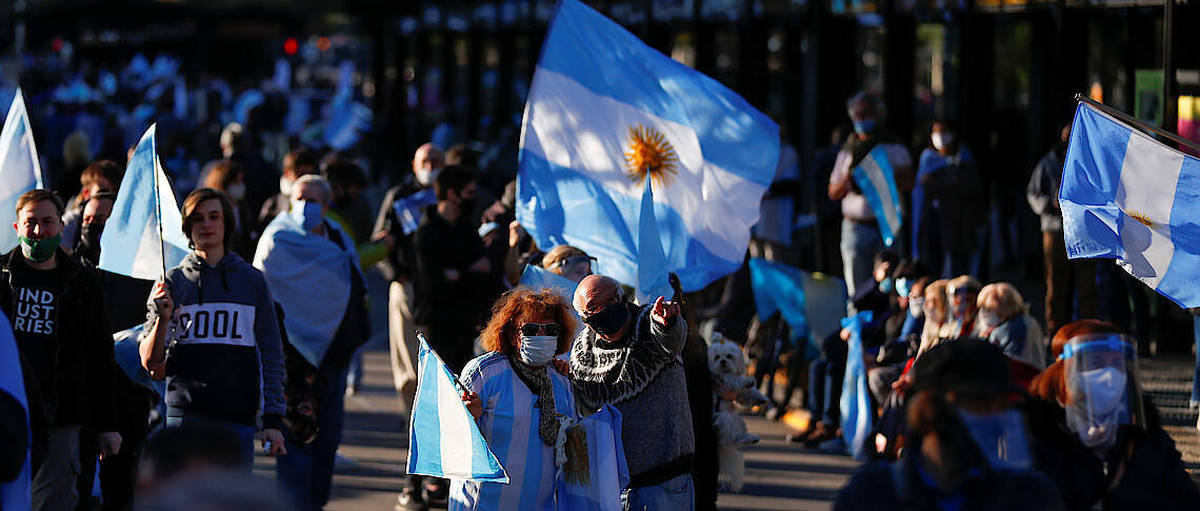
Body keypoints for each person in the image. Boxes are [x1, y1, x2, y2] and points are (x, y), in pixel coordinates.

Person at [139, 188, 287, 463]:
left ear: (226, 223)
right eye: (197, 218)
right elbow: (150, 361)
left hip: (237, 420)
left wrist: (273, 420)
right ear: (187, 227)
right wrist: (163, 318)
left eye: (213, 217)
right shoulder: (170, 283)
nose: (206, 224)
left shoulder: (252, 281)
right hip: (185, 416)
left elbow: (271, 353)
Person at [835, 340, 1066, 510]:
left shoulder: (1029, 496)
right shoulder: (872, 495)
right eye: (980, 403)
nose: (997, 417)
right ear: (927, 408)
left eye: (1003, 405)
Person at [1, 189, 121, 511]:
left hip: (61, 419)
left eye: (47, 222)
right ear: (16, 228)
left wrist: (106, 425)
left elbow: (99, 357)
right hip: (6, 414)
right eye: (31, 223)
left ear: (60, 226)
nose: (39, 231)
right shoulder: (1, 278)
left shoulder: (82, 283)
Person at [255, 174, 369, 510]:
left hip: (332, 357)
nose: (305, 205)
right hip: (290, 360)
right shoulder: (277, 236)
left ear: (326, 204)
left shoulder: (337, 237)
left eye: (313, 199)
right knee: (292, 439)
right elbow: (261, 288)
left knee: (328, 438)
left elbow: (353, 283)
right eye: (300, 197)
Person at [1026, 326, 1200, 510]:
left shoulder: (1147, 438)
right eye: (1096, 363)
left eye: (1117, 364)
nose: (1109, 375)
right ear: (1064, 372)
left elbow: (1187, 501)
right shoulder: (1038, 437)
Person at [400, 164, 490, 510]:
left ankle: (444, 479)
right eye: (467, 191)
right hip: (435, 329)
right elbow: (434, 284)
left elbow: (480, 276)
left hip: (461, 327)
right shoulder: (426, 232)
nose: (472, 198)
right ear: (452, 193)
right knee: (431, 404)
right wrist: (466, 274)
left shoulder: (466, 229)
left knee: (459, 405)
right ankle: (414, 482)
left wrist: (459, 275)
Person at [569, 275, 693, 510]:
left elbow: (672, 339)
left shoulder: (647, 322)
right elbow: (581, 404)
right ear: (585, 319)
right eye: (594, 307)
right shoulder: (582, 350)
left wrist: (666, 321)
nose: (606, 309)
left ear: (621, 298)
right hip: (608, 485)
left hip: (662, 481)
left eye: (611, 299)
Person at [450, 288, 579, 510]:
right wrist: (467, 417)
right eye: (531, 329)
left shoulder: (561, 381)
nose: (541, 335)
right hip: (484, 505)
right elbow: (449, 434)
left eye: (550, 329)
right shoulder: (484, 373)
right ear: (512, 334)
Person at [69, 190, 157, 511]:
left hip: (127, 403)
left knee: (121, 492)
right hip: (79, 404)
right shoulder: (69, 272)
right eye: (89, 220)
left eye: (102, 221)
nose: (93, 226)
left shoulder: (138, 276)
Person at [374, 142, 444, 417]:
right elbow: (380, 242)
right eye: (425, 161)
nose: (430, 167)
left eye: (436, 161)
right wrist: (397, 275)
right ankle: (412, 417)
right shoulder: (399, 196)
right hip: (408, 285)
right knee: (407, 356)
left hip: (441, 287)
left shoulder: (450, 194)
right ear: (414, 166)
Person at [827, 92, 912, 301]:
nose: (862, 119)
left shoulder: (893, 145)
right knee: (857, 290)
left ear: (878, 115)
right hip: (855, 228)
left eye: (866, 114)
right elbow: (833, 192)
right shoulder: (847, 150)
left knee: (891, 284)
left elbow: (910, 181)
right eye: (857, 114)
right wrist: (850, 180)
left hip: (887, 225)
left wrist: (881, 177)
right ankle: (858, 330)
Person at [1027, 123, 1097, 336]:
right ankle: (1055, 332)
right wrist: (1050, 204)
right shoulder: (1047, 164)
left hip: (1083, 230)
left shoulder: (1089, 163)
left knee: (1087, 285)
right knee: (1056, 285)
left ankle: (1087, 332)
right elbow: (1032, 194)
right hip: (1055, 229)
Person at [912, 120, 984, 278]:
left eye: (943, 131)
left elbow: (968, 187)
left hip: (958, 223)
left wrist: (938, 182)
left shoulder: (964, 158)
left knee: (957, 269)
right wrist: (947, 182)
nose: (940, 136)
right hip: (933, 220)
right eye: (936, 131)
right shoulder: (927, 158)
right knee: (933, 266)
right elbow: (924, 189)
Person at [976, 283, 1047, 369]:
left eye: (988, 309)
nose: (982, 314)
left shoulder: (1014, 328)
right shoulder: (1027, 321)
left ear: (1003, 307)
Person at [61, 160, 122, 250]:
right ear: (86, 193)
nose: (109, 197)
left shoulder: (125, 220)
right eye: (103, 192)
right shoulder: (72, 223)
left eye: (116, 191)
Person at [258, 147, 319, 234]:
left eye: (310, 174)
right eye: (301, 174)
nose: (306, 179)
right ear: (287, 173)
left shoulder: (320, 201)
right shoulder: (273, 205)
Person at [201, 159, 254, 257]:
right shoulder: (213, 212)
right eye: (236, 182)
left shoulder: (243, 208)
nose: (241, 186)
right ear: (224, 184)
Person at [941, 275, 981, 339]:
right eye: (955, 298)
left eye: (967, 299)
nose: (962, 305)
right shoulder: (947, 330)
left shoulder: (983, 327)